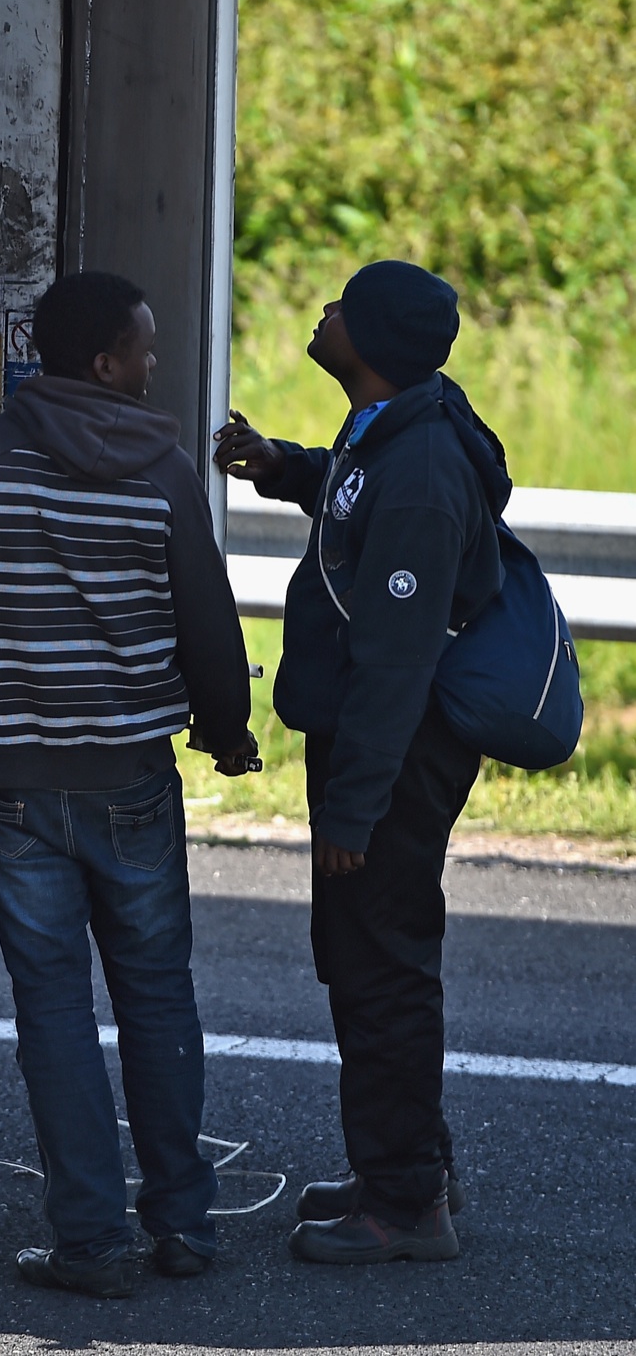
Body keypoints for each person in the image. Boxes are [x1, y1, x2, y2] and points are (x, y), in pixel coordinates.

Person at [0, 271, 257, 1298]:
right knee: (156, 995)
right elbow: (208, 624)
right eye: (143, 347)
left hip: (10, 786)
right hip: (131, 777)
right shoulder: (162, 471)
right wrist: (226, 732)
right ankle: (182, 1224)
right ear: (104, 363)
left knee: (51, 1007)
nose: (153, 362)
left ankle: (91, 1244)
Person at [214, 259, 511, 1265]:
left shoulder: (421, 472)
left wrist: (352, 810)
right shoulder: (387, 424)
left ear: (371, 342)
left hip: (392, 750)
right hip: (375, 743)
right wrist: (281, 465)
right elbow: (352, 502)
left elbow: (394, 663)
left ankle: (405, 1205)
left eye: (341, 304)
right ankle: (411, 1165)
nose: (324, 310)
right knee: (364, 959)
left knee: (379, 967)